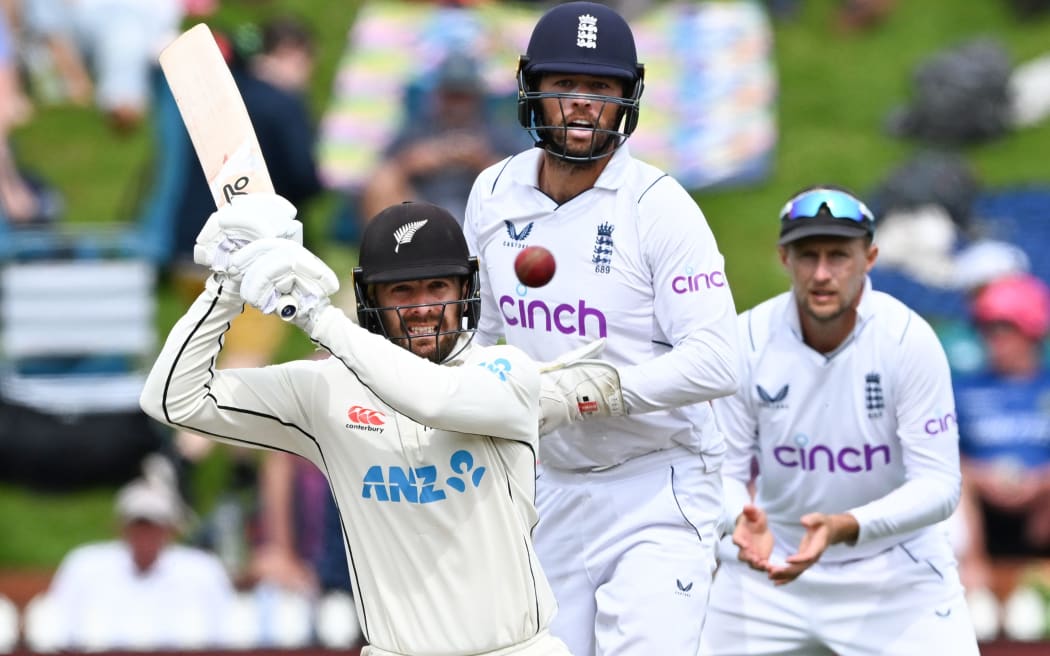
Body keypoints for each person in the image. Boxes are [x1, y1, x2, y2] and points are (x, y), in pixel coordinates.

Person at [140, 196, 584, 655]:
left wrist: (319, 317)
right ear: (371, 301)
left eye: (437, 287)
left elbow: (432, 400)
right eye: (401, 292)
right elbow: (173, 399)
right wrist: (226, 287)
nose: (422, 307)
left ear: (465, 290)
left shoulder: (506, 372)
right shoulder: (325, 392)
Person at [462, 3, 742, 653]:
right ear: (533, 88)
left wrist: (591, 393)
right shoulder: (492, 194)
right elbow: (484, 333)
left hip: (659, 483)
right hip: (552, 484)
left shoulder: (658, 207)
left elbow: (718, 361)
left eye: (601, 89)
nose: (583, 105)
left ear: (626, 99)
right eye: (566, 87)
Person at [698, 186, 980, 655]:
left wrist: (845, 525)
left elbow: (940, 485)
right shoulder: (745, 337)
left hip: (895, 572)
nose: (822, 274)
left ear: (869, 257)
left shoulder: (909, 340)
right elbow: (719, 472)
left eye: (839, 256)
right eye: (808, 256)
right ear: (784, 259)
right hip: (770, 568)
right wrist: (738, 520)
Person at [44, 457, 235, 651]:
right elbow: (58, 632)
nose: (145, 534)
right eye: (138, 525)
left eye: (153, 526)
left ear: (171, 530)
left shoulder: (203, 571)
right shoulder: (83, 566)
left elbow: (227, 637)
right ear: (120, 528)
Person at [953, 273, 1050, 601]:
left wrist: (1042, 484)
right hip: (979, 510)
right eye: (987, 330)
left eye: (1004, 328)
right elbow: (940, 456)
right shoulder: (962, 389)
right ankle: (972, 581)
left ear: (1031, 330)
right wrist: (979, 477)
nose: (993, 339)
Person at [359, 49, 525, 226]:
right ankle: (388, 250)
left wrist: (482, 161)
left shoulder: (497, 133)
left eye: (463, 96)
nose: (456, 104)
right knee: (383, 179)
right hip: (422, 213)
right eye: (451, 95)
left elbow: (524, 181)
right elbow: (382, 173)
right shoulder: (419, 129)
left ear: (476, 96)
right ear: (439, 95)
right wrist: (411, 162)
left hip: (480, 215)